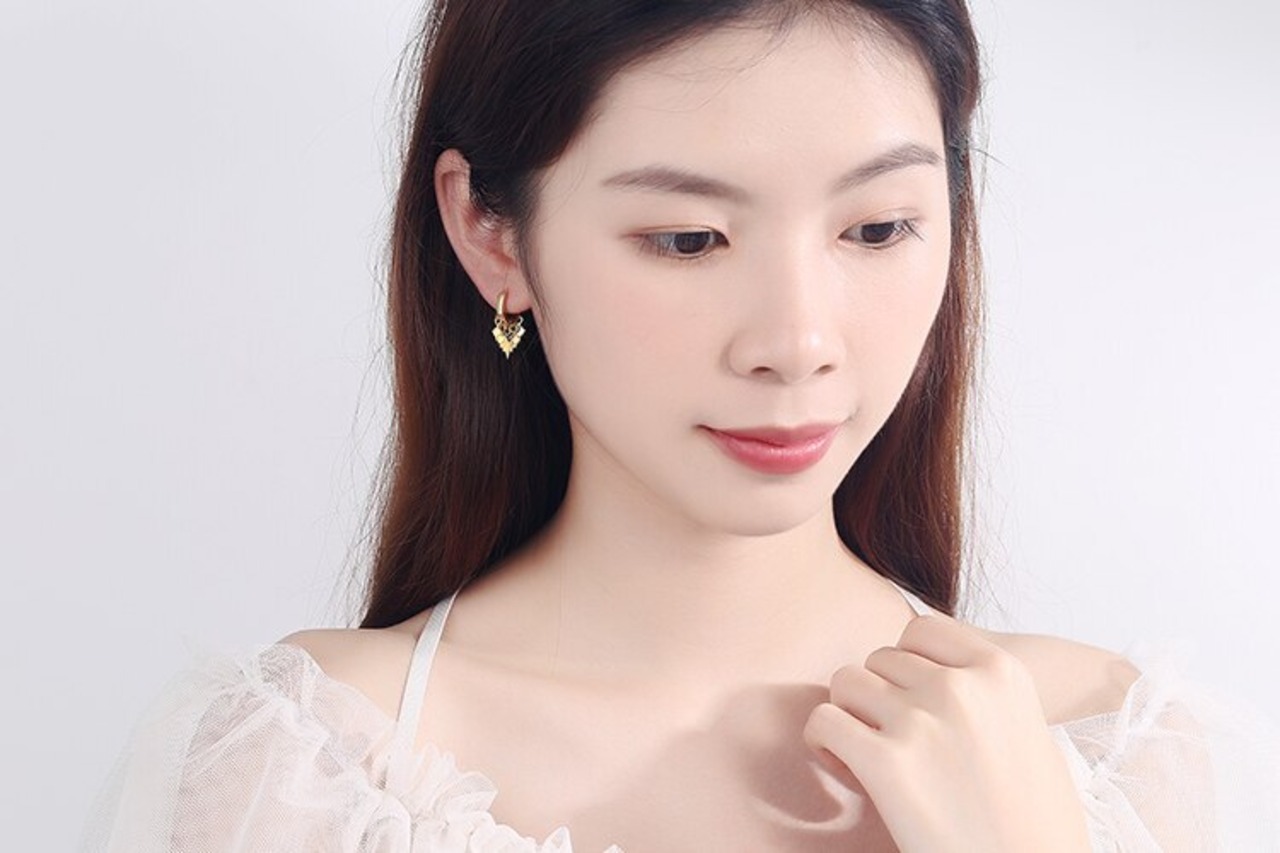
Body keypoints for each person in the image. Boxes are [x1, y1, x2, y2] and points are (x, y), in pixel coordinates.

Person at [81, 0, 1279, 850]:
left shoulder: (1110, 752)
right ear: (490, 234)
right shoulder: (310, 768)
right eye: (688, 239)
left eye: (876, 228)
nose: (796, 340)